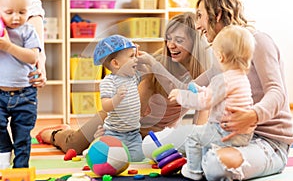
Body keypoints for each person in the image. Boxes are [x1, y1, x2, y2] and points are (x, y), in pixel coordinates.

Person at [138, 0, 293, 181]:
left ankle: (207, 159)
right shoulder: (222, 55)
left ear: (218, 14)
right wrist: (155, 68)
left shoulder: (258, 41)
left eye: (200, 16)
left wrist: (252, 116)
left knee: (215, 166)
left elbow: (277, 92)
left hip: (267, 142)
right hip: (223, 134)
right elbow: (190, 88)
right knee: (151, 146)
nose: (197, 25)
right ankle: (204, 157)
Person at [36, 12, 212, 155]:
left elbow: (200, 115)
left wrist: (194, 144)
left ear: (194, 43)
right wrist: (129, 61)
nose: (171, 45)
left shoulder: (203, 71)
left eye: (179, 40)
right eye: (168, 39)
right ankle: (54, 132)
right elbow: (133, 111)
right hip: (123, 122)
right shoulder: (154, 64)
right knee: (73, 145)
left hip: (154, 134)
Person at [168, 25, 255, 181]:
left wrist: (181, 96)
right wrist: (202, 90)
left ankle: (193, 171)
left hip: (224, 132)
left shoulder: (222, 79)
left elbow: (204, 103)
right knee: (205, 135)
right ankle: (202, 164)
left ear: (220, 57)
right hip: (242, 133)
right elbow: (216, 96)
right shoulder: (241, 78)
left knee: (193, 136)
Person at [0, 0, 42, 169]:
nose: (16, 17)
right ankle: (4, 152)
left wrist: (9, 46)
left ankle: (21, 172)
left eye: (22, 12)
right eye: (9, 12)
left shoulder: (28, 30)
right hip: (0, 94)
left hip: (25, 95)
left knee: (22, 138)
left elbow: (33, 57)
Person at [93, 34, 145, 162]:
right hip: (114, 132)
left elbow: (145, 69)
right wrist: (116, 99)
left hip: (134, 133)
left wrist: (135, 54)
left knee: (138, 158)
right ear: (116, 63)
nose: (135, 60)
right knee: (112, 159)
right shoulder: (108, 82)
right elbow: (105, 106)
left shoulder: (132, 77)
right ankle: (93, 148)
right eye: (131, 57)